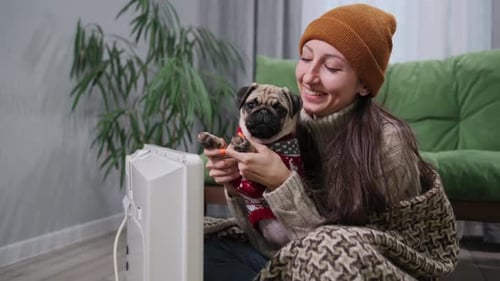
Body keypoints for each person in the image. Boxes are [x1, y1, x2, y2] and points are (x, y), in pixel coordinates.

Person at [203, 3, 459, 281]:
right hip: (284, 257)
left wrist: (281, 183)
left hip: (357, 270)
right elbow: (263, 237)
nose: (309, 77)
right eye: (305, 58)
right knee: (193, 244)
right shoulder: (290, 126)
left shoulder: (388, 144)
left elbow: (344, 254)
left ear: (363, 85)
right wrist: (238, 185)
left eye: (332, 67)